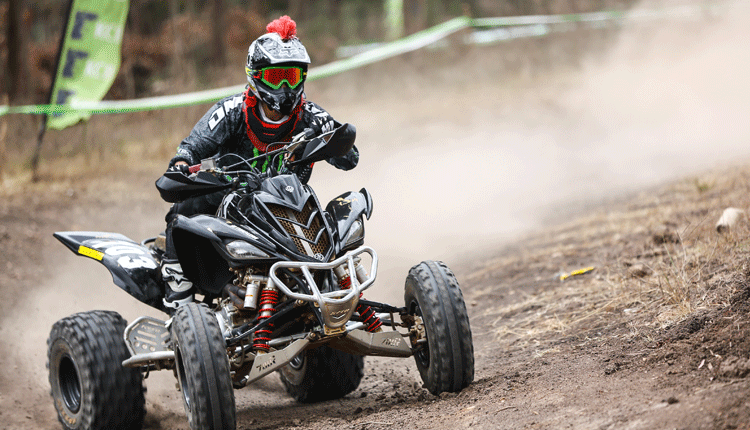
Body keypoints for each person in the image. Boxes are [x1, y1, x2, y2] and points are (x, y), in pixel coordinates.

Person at [159, 16, 359, 311]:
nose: (284, 87)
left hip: (288, 205)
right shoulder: (231, 111)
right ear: (255, 76)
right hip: (230, 200)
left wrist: (330, 137)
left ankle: (333, 292)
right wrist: (181, 163)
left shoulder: (312, 115)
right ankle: (178, 298)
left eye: (291, 77)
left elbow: (350, 159)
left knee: (337, 221)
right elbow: (191, 148)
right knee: (182, 212)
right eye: (275, 77)